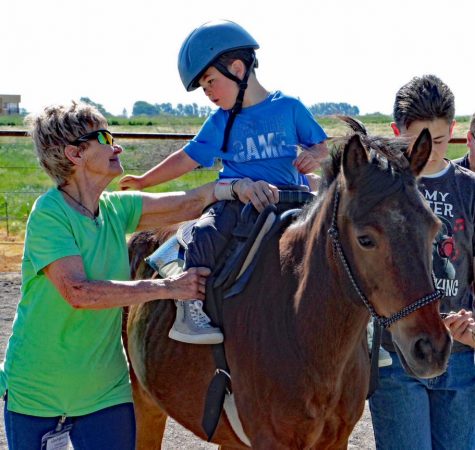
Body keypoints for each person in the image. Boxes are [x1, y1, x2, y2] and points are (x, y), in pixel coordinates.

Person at [0, 101, 269, 450]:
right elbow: (79, 292)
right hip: (37, 392)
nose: (117, 146)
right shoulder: (50, 214)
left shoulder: (112, 209)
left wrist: (233, 188)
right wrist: (168, 287)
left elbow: (185, 203)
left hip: (105, 393)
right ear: (74, 153)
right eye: (105, 137)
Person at [119, 19, 329, 345]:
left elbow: (321, 146)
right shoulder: (220, 122)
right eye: (204, 88)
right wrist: (146, 180)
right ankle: (191, 306)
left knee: (339, 241)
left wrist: (313, 156)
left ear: (237, 69)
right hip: (237, 203)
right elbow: (186, 158)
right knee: (204, 234)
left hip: (293, 200)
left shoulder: (289, 108)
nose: (208, 94)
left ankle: (363, 326)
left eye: (211, 82)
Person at [369, 74, 475, 450]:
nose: (431, 151)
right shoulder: (381, 189)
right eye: (418, 142)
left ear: (454, 129)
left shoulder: (469, 189)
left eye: (442, 140)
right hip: (396, 358)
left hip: (458, 356)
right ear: (397, 132)